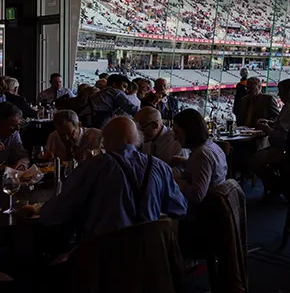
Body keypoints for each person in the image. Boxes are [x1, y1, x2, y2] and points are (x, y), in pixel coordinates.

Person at [39, 117, 188, 239]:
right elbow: (180, 209)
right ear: (137, 140)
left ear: (106, 141)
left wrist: (41, 211)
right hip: (149, 260)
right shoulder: (160, 167)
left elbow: (58, 212)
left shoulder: (93, 166)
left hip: (102, 261)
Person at [248, 79, 290, 193]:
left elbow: (283, 135)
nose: (278, 94)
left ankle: (275, 184)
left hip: (283, 149)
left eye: (280, 91)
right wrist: (269, 122)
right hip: (289, 148)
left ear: (288, 92)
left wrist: (266, 128)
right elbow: (282, 124)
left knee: (253, 161)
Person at [172, 109, 227, 214]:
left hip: (206, 213)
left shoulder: (201, 155)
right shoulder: (211, 146)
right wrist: (186, 161)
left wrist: (176, 179)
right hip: (219, 205)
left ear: (189, 132)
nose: (174, 137)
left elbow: (196, 196)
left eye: (177, 132)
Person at [0, 102, 29, 170]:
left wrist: (22, 164)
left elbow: (22, 156)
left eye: (18, 125)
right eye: (13, 125)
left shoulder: (13, 134)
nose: (17, 129)